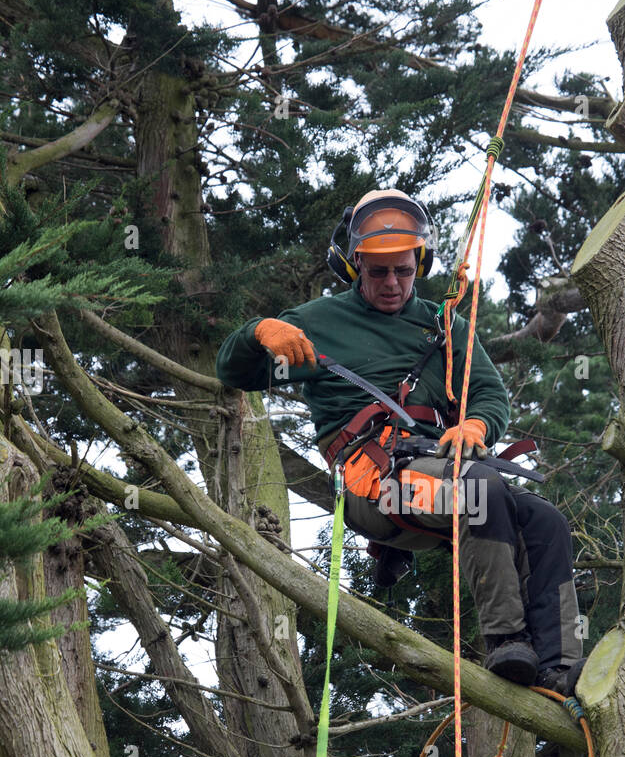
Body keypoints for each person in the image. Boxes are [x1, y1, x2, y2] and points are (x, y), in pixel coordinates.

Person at [216, 188, 583, 694]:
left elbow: (489, 394)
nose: (392, 283)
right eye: (378, 272)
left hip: (439, 469)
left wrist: (475, 426)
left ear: (420, 265)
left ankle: (559, 667)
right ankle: (506, 642)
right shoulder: (319, 323)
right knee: (480, 489)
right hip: (377, 486)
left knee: (546, 521)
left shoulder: (442, 324)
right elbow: (232, 372)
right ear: (354, 268)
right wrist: (259, 332)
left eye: (404, 271)